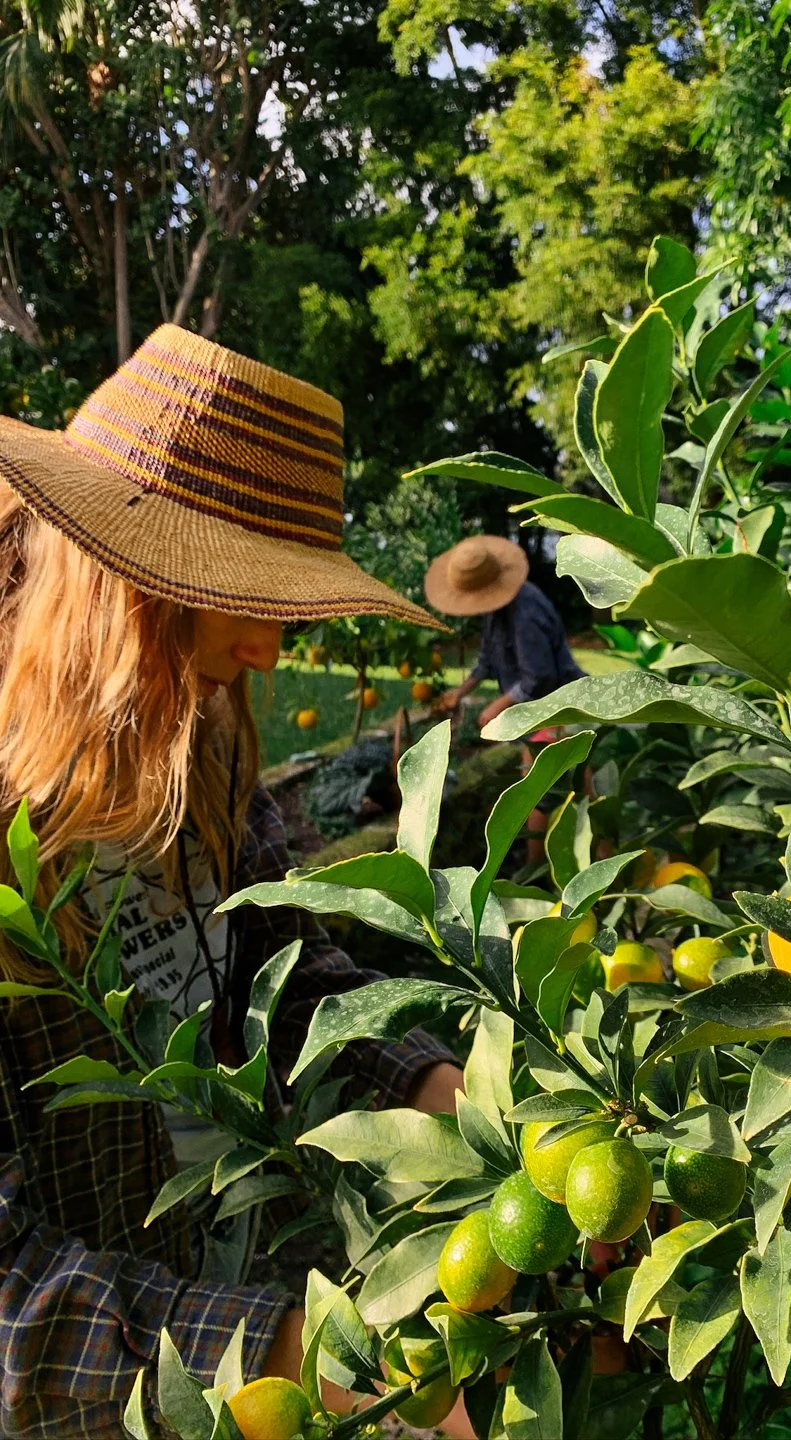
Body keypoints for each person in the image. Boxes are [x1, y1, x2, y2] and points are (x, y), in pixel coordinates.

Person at [0, 326, 467, 1437]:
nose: (267, 649)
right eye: (240, 593)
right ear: (123, 585)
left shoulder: (198, 749)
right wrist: (286, 1352)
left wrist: (440, 1094)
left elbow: (288, 967)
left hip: (217, 1317)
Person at [425, 537, 585, 862]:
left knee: (539, 791)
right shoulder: (496, 608)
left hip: (558, 707)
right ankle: (573, 857)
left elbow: (540, 677)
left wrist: (499, 704)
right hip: (539, 711)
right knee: (573, 787)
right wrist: (462, 690)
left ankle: (534, 873)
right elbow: (488, 657)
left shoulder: (525, 612)